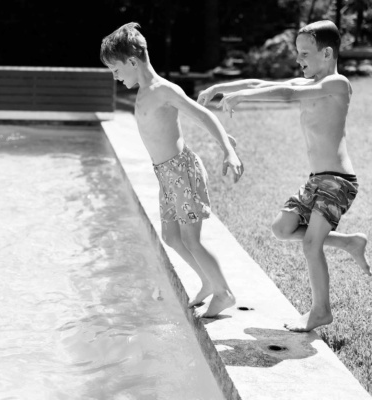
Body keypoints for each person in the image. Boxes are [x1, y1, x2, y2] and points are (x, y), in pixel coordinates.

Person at [198, 20, 371, 332]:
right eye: (298, 54)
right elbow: (261, 83)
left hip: (339, 181)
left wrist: (244, 99)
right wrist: (223, 88)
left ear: (328, 53)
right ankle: (349, 243)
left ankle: (321, 311)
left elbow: (288, 94)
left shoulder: (337, 84)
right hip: (316, 179)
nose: (298, 59)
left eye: (305, 53)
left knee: (310, 245)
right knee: (282, 227)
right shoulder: (311, 83)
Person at [100, 22, 244, 318]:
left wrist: (227, 150)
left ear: (131, 61)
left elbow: (203, 114)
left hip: (182, 173)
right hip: (166, 176)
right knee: (171, 236)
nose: (115, 78)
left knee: (191, 238)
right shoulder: (142, 91)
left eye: (116, 70)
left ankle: (224, 292)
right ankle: (207, 280)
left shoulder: (163, 89)